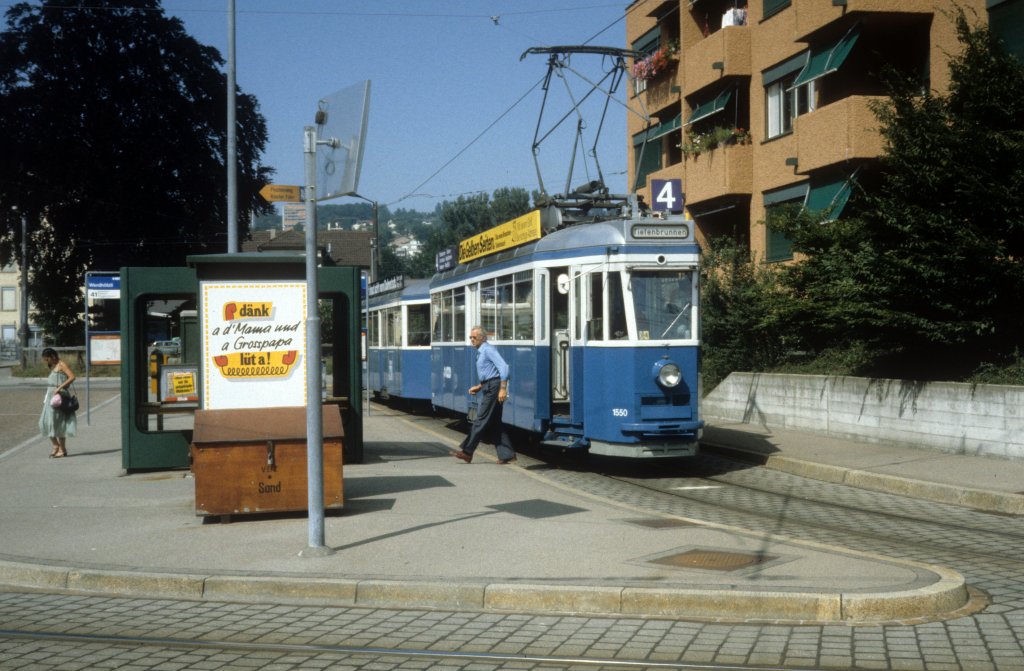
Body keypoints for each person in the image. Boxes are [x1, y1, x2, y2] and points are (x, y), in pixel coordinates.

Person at [451, 326, 517, 465]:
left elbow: (503, 368)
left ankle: (467, 452)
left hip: (495, 388)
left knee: (481, 420)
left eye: (474, 337)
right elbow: (490, 372)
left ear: (482, 338)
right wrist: (480, 386)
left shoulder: (488, 350)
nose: (471, 340)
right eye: (470, 337)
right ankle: (507, 455)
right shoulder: (481, 352)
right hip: (489, 386)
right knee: (495, 422)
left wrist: (503, 389)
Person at [38, 347, 77, 458]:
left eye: (47, 359)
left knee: (58, 423)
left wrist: (59, 387)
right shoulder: (55, 366)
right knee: (44, 422)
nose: (46, 361)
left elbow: (72, 377)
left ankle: (62, 449)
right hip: (50, 397)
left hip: (59, 397)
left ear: (52, 356)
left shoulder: (61, 364)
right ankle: (56, 446)